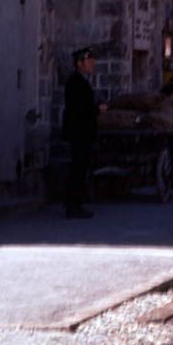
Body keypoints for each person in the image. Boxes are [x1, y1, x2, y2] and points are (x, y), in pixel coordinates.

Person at [62, 47, 104, 218]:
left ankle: (75, 203)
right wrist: (97, 108)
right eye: (88, 61)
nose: (92, 64)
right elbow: (79, 108)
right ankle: (73, 205)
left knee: (81, 167)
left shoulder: (82, 82)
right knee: (78, 168)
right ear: (79, 63)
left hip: (83, 132)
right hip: (79, 132)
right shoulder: (75, 83)